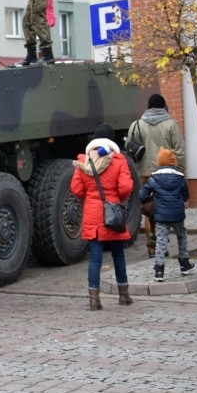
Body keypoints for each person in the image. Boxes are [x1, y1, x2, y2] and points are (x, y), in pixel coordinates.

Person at [70, 124, 134, 311]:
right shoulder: (118, 161)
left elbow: (76, 189)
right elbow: (126, 187)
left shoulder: (85, 161)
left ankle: (94, 300)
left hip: (92, 215)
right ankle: (124, 295)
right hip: (112, 215)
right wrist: (118, 198)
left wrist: (90, 197)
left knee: (95, 259)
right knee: (118, 255)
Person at [127, 93, 187, 258]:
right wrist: (180, 173)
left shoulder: (137, 124)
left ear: (148, 106)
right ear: (163, 106)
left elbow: (130, 147)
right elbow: (180, 151)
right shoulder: (171, 125)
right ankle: (164, 243)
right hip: (168, 173)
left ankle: (152, 248)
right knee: (167, 206)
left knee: (148, 208)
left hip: (146, 172)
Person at [140, 147, 195, 282]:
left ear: (159, 162)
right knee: (181, 236)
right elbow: (186, 196)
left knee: (161, 241)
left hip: (161, 216)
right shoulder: (180, 178)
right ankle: (184, 264)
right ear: (173, 162)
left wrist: (151, 201)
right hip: (177, 215)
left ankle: (159, 271)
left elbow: (142, 195)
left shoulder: (153, 178)